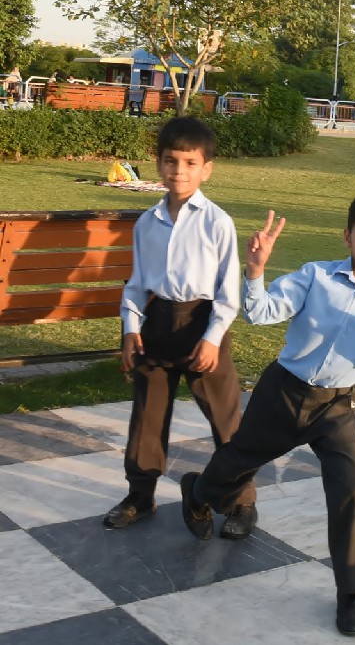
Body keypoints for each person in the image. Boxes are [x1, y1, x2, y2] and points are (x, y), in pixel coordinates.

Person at [180, 191, 355, 637]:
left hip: (335, 408)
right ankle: (197, 491)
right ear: (348, 235)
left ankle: (350, 591)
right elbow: (260, 312)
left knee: (353, 495)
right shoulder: (315, 276)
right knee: (234, 464)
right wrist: (255, 271)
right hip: (282, 394)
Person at [105, 117, 257, 539]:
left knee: (225, 417)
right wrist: (130, 328)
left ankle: (242, 501)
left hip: (202, 324)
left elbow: (228, 292)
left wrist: (212, 339)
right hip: (156, 324)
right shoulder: (147, 223)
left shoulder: (216, 222)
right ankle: (140, 494)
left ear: (206, 169)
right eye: (171, 161)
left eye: (190, 163)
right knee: (147, 415)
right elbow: (137, 282)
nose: (179, 171)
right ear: (158, 164)